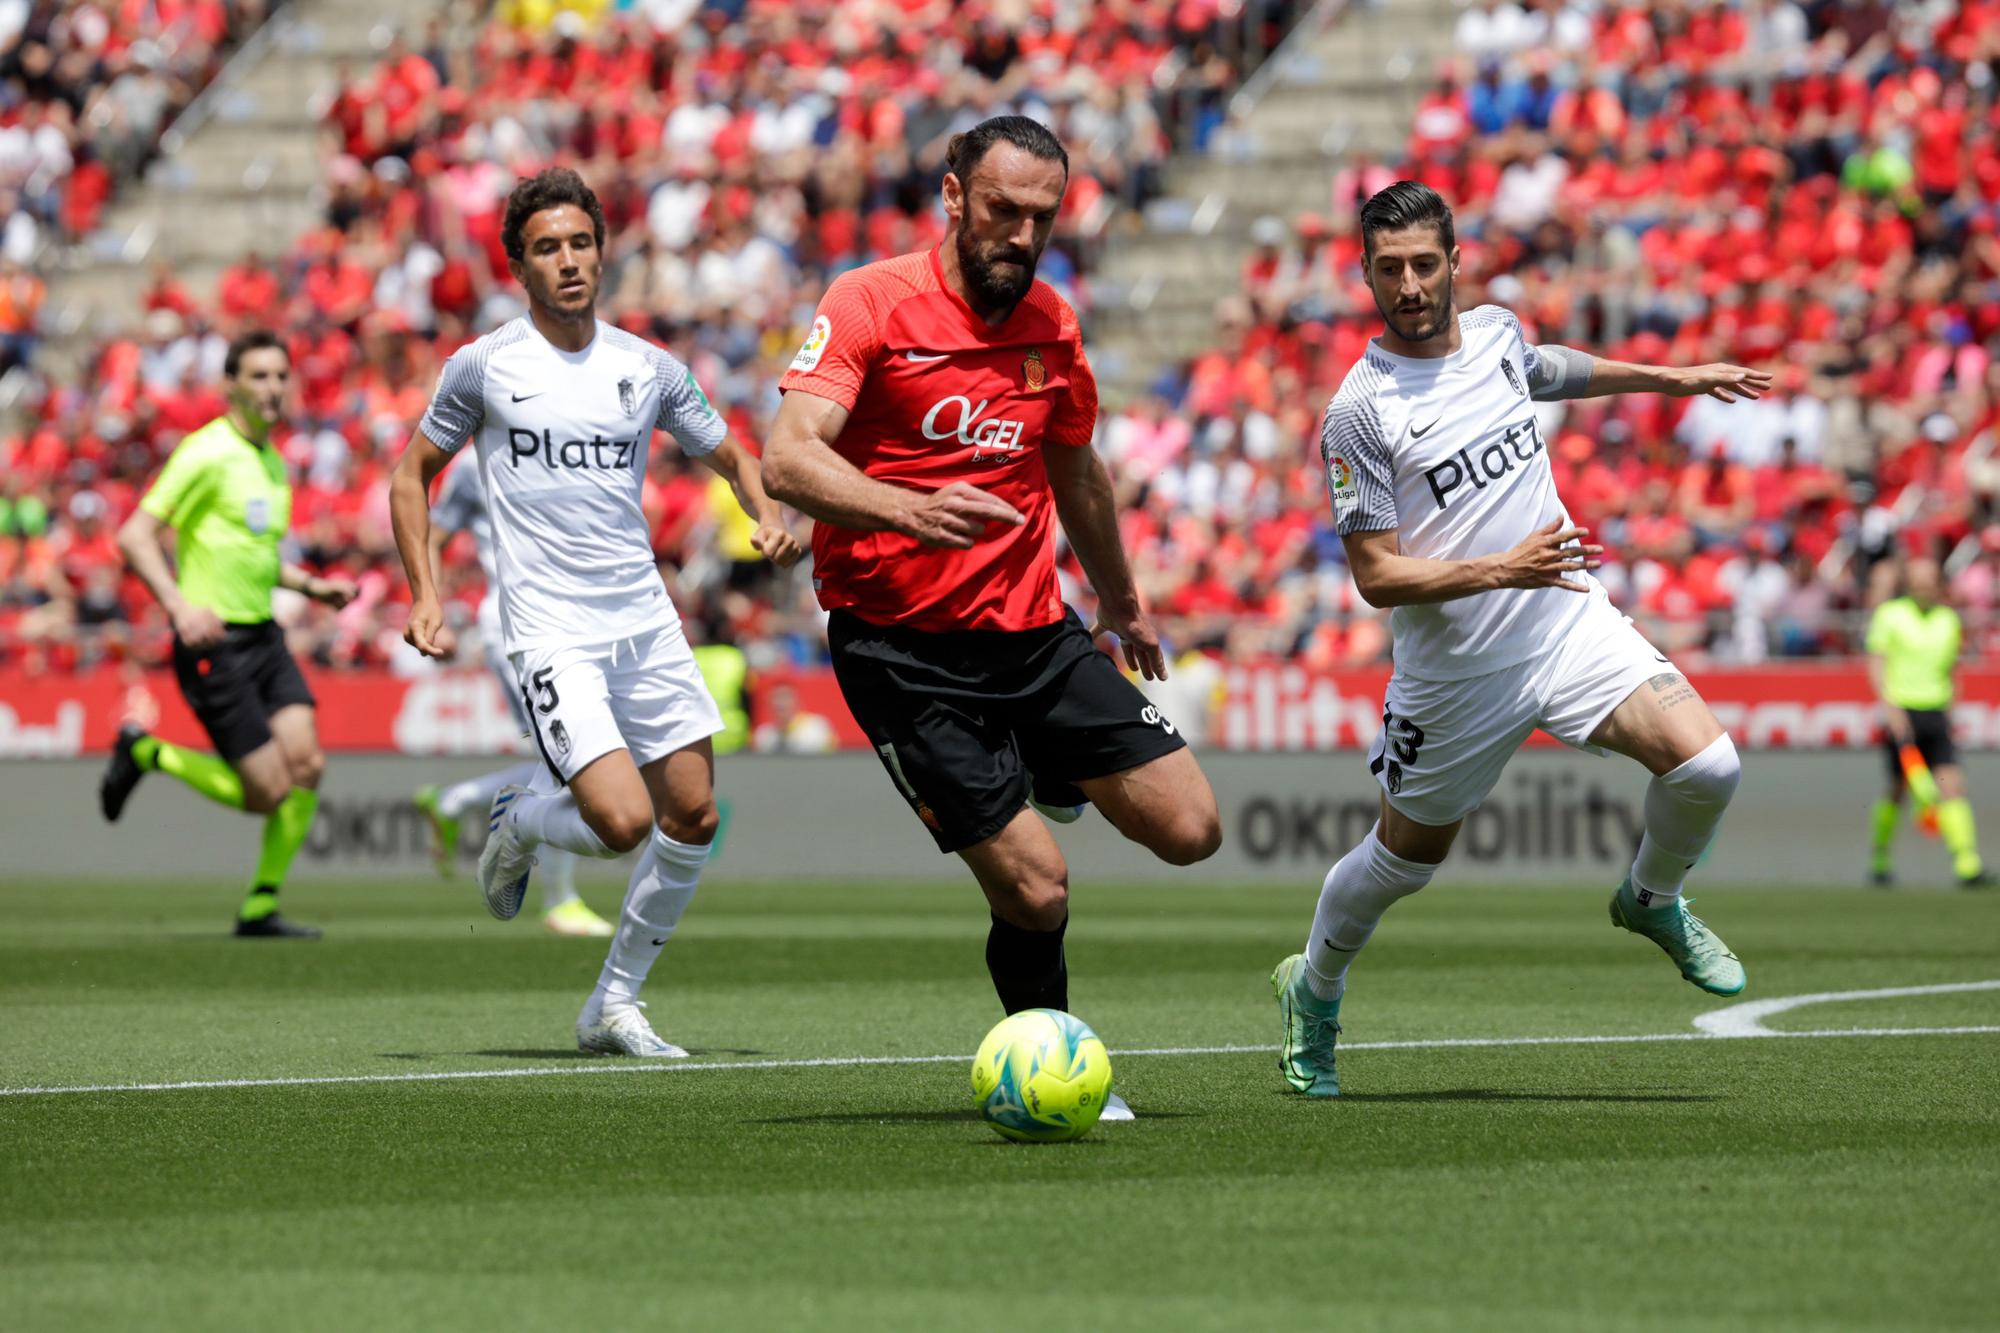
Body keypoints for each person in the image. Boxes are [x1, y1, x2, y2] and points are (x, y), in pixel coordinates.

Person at [761, 116, 1223, 1122]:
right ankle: (1052, 1058)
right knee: (1037, 890)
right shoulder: (869, 302)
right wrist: (908, 508)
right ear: (954, 198)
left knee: (1191, 828)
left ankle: (1045, 765)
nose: (1019, 234)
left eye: (1040, 218)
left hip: (1032, 634)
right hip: (900, 651)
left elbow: (1075, 466)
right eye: (1003, 210)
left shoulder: (1050, 324)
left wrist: (1122, 596)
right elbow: (787, 458)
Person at [1271, 181, 1773, 1097]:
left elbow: (1545, 368)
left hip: (1567, 621)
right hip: (1457, 676)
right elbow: (1377, 575)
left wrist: (1672, 376)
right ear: (1367, 276)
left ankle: (1652, 899)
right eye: (1391, 270)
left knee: (1709, 768)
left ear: (1456, 263)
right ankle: (1314, 987)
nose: (1411, 285)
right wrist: (1505, 566)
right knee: (1400, 865)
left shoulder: (1496, 333)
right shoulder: (1359, 412)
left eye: (1426, 264)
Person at [389, 167, 803, 1057]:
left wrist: (766, 512)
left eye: (581, 243)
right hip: (549, 627)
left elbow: (733, 454)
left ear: (602, 253)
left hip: (643, 619)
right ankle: (519, 817)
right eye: (548, 248)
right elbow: (410, 475)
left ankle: (613, 1004)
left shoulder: (645, 369)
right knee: (620, 824)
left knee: (693, 814)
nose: (569, 262)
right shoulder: (486, 366)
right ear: (519, 266)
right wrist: (425, 593)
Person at [99, 330, 358, 938]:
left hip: (263, 635)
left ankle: (260, 906)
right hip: (213, 644)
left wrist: (309, 587)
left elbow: (254, 555)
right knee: (267, 791)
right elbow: (135, 536)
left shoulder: (271, 461)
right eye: (259, 376)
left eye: (280, 376)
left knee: (309, 764)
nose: (273, 388)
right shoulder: (205, 452)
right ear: (231, 387)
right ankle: (144, 751)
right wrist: (179, 607)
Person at [411, 457, 615, 937]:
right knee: (569, 761)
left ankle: (456, 801)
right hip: (516, 629)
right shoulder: (472, 466)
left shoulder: (570, 440)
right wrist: (432, 608)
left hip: (576, 627)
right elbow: (435, 536)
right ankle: (561, 900)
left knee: (569, 758)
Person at [1865, 555, 1989, 887]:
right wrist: (1890, 710)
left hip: (1936, 713)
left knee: (1952, 785)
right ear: (1908, 583)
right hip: (1903, 712)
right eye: (1918, 581)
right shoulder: (1890, 615)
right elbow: (1878, 664)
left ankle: (1968, 864)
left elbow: (1952, 669)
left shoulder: (1948, 619)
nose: (1924, 587)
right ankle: (1880, 860)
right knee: (1897, 790)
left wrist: (1951, 710)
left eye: (1929, 581)